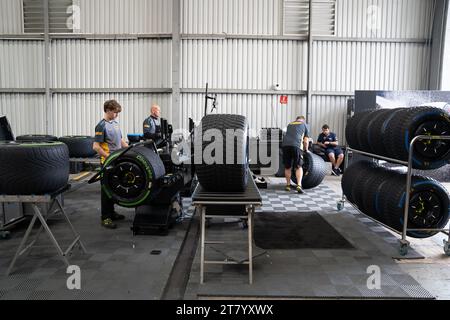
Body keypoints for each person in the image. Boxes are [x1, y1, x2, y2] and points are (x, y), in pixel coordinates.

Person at [93, 100, 129, 229]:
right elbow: (96, 147)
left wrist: (130, 148)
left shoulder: (115, 124)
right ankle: (106, 217)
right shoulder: (101, 126)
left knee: (113, 189)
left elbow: (120, 140)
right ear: (107, 110)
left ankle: (112, 213)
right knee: (106, 191)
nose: (117, 115)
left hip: (116, 161)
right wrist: (109, 157)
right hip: (107, 163)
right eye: (115, 112)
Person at [282, 116, 309, 194]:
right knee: (298, 166)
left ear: (296, 120)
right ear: (303, 120)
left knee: (288, 166)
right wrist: (306, 150)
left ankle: (288, 185)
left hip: (285, 146)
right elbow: (306, 141)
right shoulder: (304, 125)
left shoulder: (290, 124)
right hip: (296, 146)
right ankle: (299, 185)